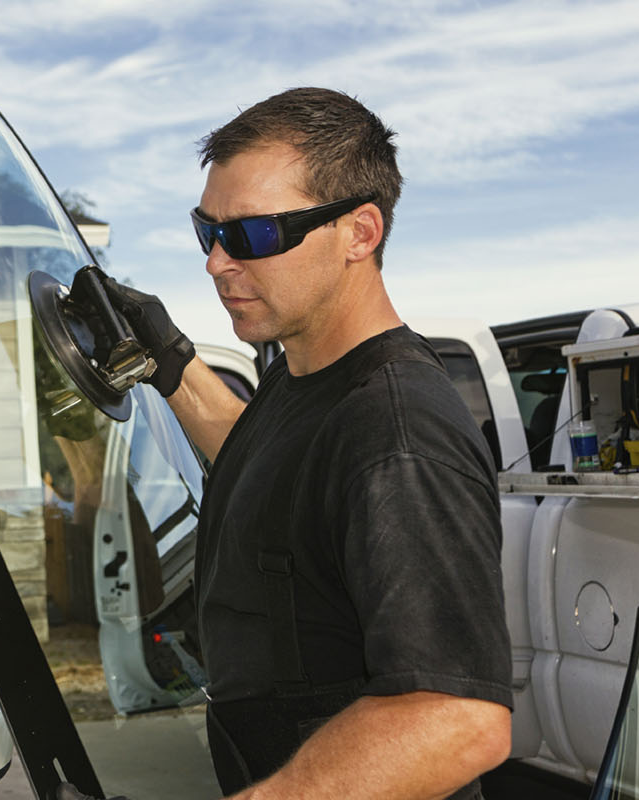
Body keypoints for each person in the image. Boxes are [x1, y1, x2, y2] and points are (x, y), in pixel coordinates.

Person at [106, 87, 513, 799]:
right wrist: (167, 362)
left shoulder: (398, 434)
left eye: (253, 235)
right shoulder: (307, 378)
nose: (217, 263)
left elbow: (456, 720)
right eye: (208, 232)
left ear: (360, 233)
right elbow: (273, 465)